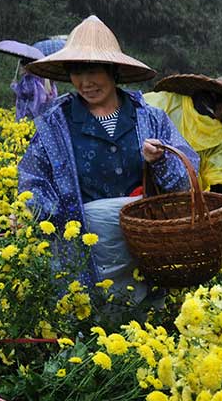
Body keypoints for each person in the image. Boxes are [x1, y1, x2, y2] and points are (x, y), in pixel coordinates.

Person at [18, 15, 199, 301]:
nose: (85, 82)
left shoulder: (150, 118)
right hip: (83, 253)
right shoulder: (55, 124)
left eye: (94, 71)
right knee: (90, 325)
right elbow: (32, 179)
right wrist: (49, 214)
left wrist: (160, 161)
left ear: (113, 70)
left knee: (142, 326)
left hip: (144, 247)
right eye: (77, 72)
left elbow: (187, 180)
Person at [144, 75, 222, 196]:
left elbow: (137, 109)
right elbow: (221, 180)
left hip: (137, 188)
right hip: (182, 202)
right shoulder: (218, 135)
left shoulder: (169, 100)